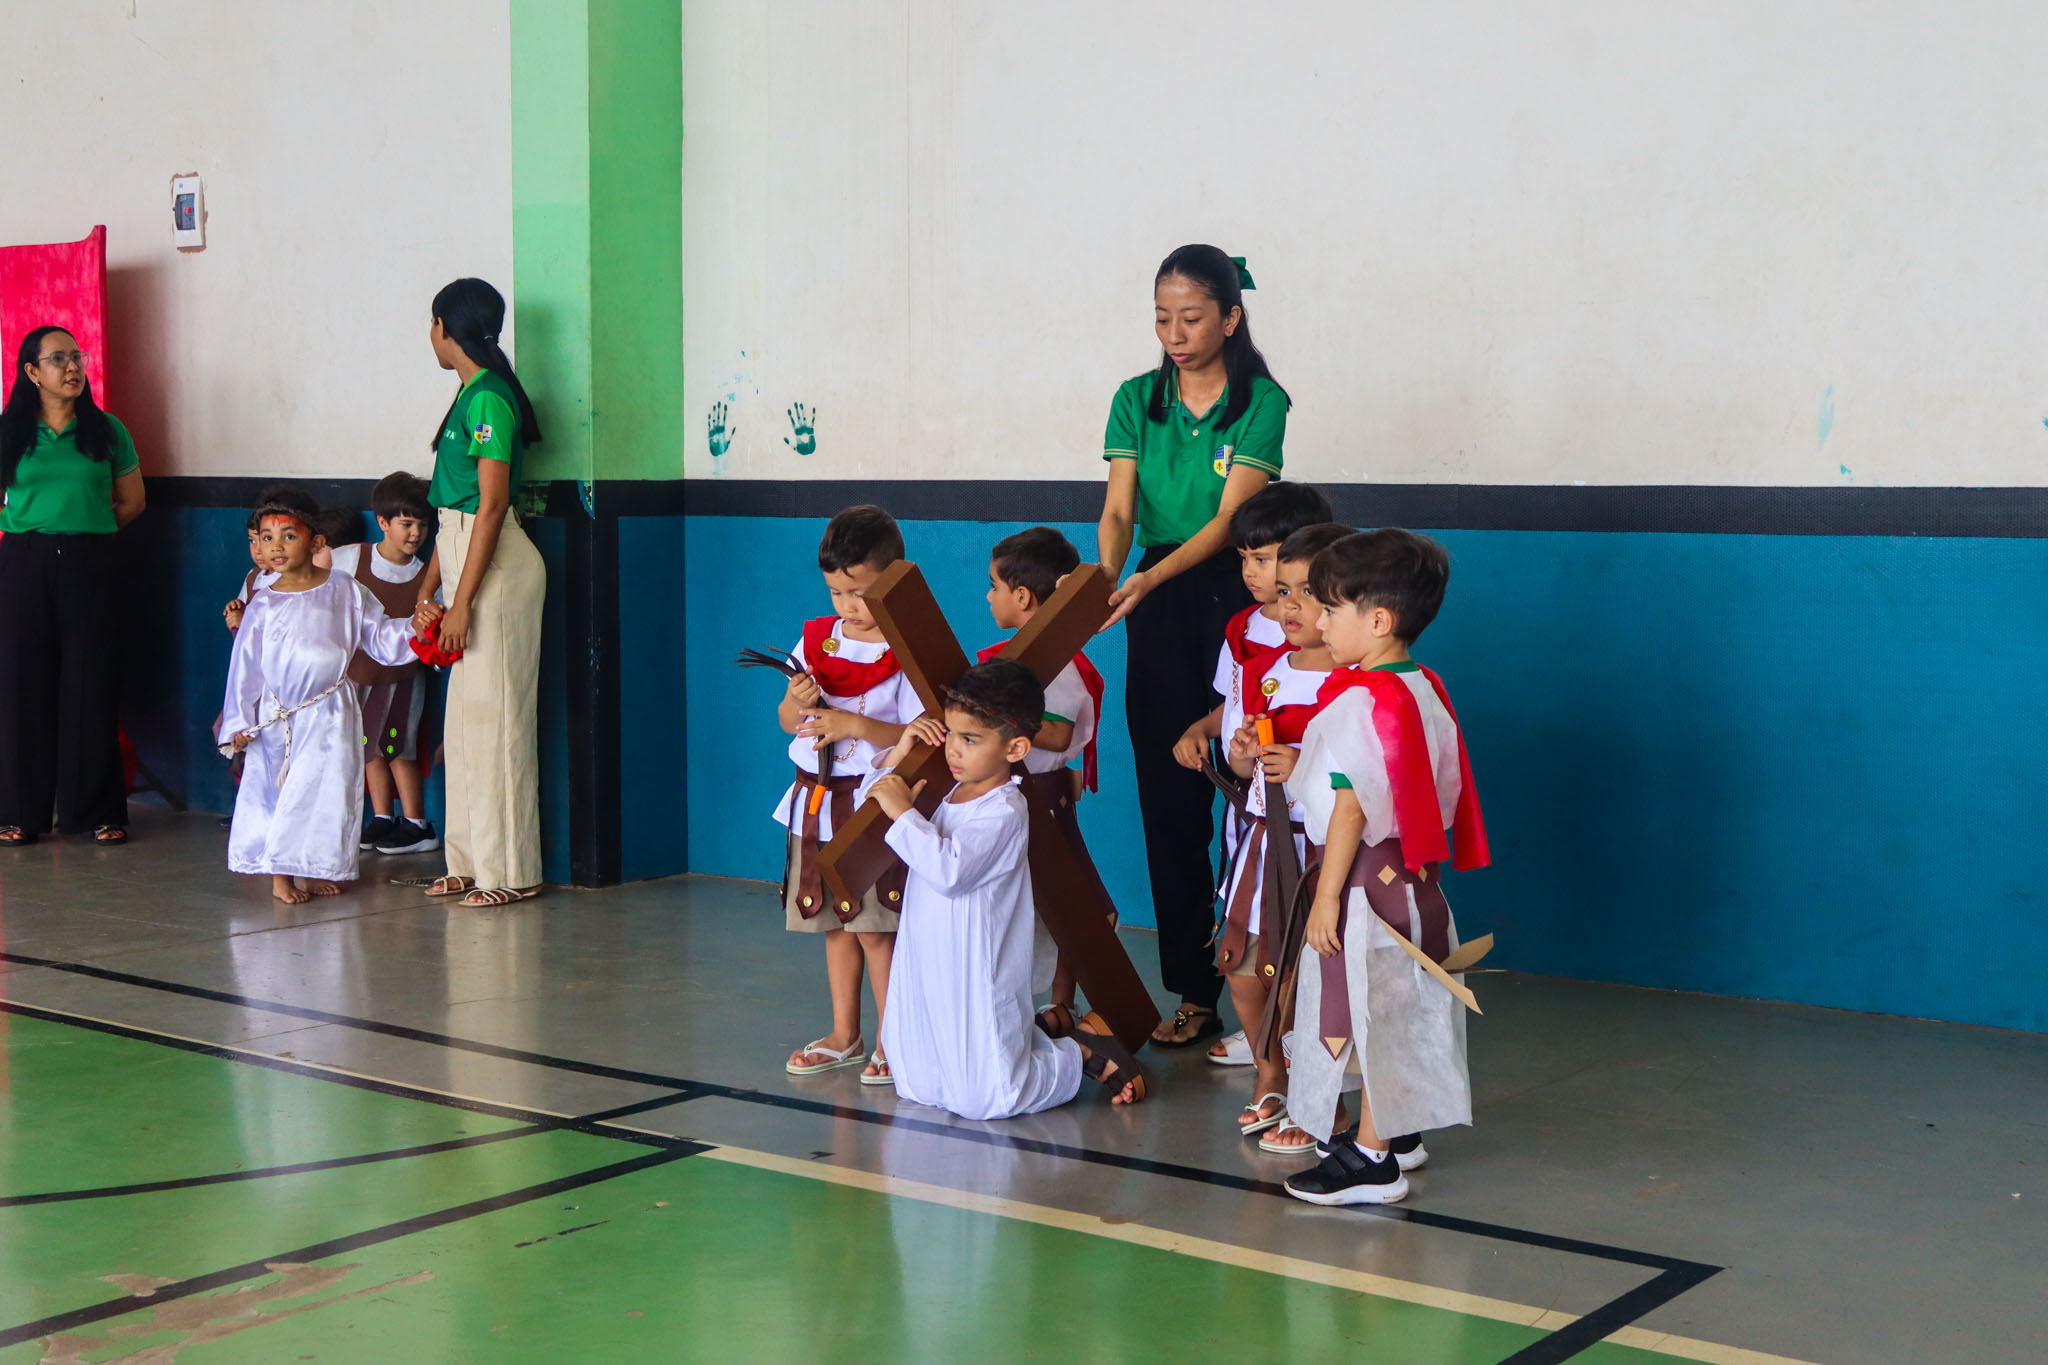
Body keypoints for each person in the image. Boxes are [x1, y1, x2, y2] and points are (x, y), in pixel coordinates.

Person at [1095, 245, 1289, 1048]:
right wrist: (1108, 582)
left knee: (1254, 797)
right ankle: (1194, 991)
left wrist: (1148, 578)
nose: (1174, 335)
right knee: (1168, 801)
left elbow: (1228, 522)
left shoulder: (1261, 401)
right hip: (1154, 598)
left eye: (1192, 318)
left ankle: (1272, 994)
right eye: (1162, 319)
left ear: (1231, 318)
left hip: (1234, 587)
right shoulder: (1135, 399)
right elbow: (1118, 511)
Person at [1280, 530, 1491, 1206]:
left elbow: (1349, 808)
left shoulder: (1358, 702)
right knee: (1399, 1006)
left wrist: (1325, 898)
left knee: (1365, 1011)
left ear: (1378, 621)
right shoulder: (1425, 687)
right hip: (1414, 882)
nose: (1319, 623)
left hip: (1363, 884)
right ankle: (1394, 1135)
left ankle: (1372, 1160)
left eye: (1330, 609)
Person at [871, 659, 1145, 1117]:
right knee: (917, 1081)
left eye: (970, 739)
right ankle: (1038, 1040)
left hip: (976, 959)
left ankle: (1080, 1052)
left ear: (1016, 747)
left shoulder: (1005, 809)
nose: (952, 749)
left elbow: (950, 871)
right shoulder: (944, 787)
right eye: (951, 734)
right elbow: (876, 801)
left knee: (988, 1097)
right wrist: (899, 754)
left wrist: (903, 813)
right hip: (925, 954)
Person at [1170, 481, 1334, 1066]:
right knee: (1248, 914)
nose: (1251, 572)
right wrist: (1204, 728)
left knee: (1306, 925)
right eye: (1245, 558)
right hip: (1251, 798)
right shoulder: (1242, 628)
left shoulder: (1336, 645)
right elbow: (1236, 703)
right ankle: (1267, 1037)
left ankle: (1303, 1045)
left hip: (1314, 816)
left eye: (1264, 559)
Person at [772, 505, 923, 1085]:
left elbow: (917, 735)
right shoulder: (818, 640)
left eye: (859, 593)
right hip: (815, 804)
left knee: (876, 930)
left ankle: (892, 1041)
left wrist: (853, 725)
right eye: (836, 593)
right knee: (834, 924)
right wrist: (798, 702)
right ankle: (845, 1034)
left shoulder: (908, 648)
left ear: (893, 580)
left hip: (869, 806)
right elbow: (787, 721)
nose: (848, 607)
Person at [1213, 521, 1351, 1152]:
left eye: (1308, 593)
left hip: (1322, 848)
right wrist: (1244, 754)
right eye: (1286, 590)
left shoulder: (1355, 680)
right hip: (1262, 839)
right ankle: (1270, 1070)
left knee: (1310, 977)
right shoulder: (1263, 669)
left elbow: (1365, 779)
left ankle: (1322, 1098)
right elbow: (1243, 759)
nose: (1290, 605)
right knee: (1242, 966)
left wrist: (1304, 766)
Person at [410, 278, 546, 909]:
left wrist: (462, 603)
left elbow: (490, 507)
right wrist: (430, 590)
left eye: (431, 324)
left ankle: (513, 869)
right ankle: (467, 863)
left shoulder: (489, 397)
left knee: (500, 725)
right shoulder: (469, 394)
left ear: (445, 327)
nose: (430, 336)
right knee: (465, 727)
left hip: (498, 571)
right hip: (463, 557)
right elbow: (454, 514)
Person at [218, 496, 418, 905]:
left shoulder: (345, 589)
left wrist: (419, 628)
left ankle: (309, 870)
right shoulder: (264, 604)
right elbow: (245, 669)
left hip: (332, 711)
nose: (276, 546)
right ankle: (281, 875)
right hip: (279, 717)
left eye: (288, 536)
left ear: (316, 542)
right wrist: (238, 723)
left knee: (325, 792)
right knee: (282, 792)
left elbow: (380, 637)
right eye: (267, 538)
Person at [0, 325, 146, 847]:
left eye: (76, 357)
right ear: (32, 372)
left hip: (91, 560)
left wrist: (89, 532)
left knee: (92, 680)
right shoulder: (9, 432)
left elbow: (133, 502)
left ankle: (98, 812)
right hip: (24, 561)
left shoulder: (106, 430)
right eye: (58, 359)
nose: (73, 368)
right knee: (23, 683)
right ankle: (19, 814)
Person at [979, 526, 1111, 1033]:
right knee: (1031, 904)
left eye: (994, 586)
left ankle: (1066, 1002)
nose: (988, 597)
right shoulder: (1020, 657)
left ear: (1022, 597)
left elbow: (1057, 735)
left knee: (1072, 905)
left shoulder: (1052, 664)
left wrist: (996, 721)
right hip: (1020, 793)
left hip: (1042, 799)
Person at [332, 473, 437, 855]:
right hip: (357, 675)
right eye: (406, 524)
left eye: (422, 525)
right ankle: (382, 816)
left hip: (402, 678)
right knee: (367, 746)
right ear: (382, 522)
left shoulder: (427, 577)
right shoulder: (350, 559)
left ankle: (417, 824)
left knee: (397, 748)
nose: (416, 533)